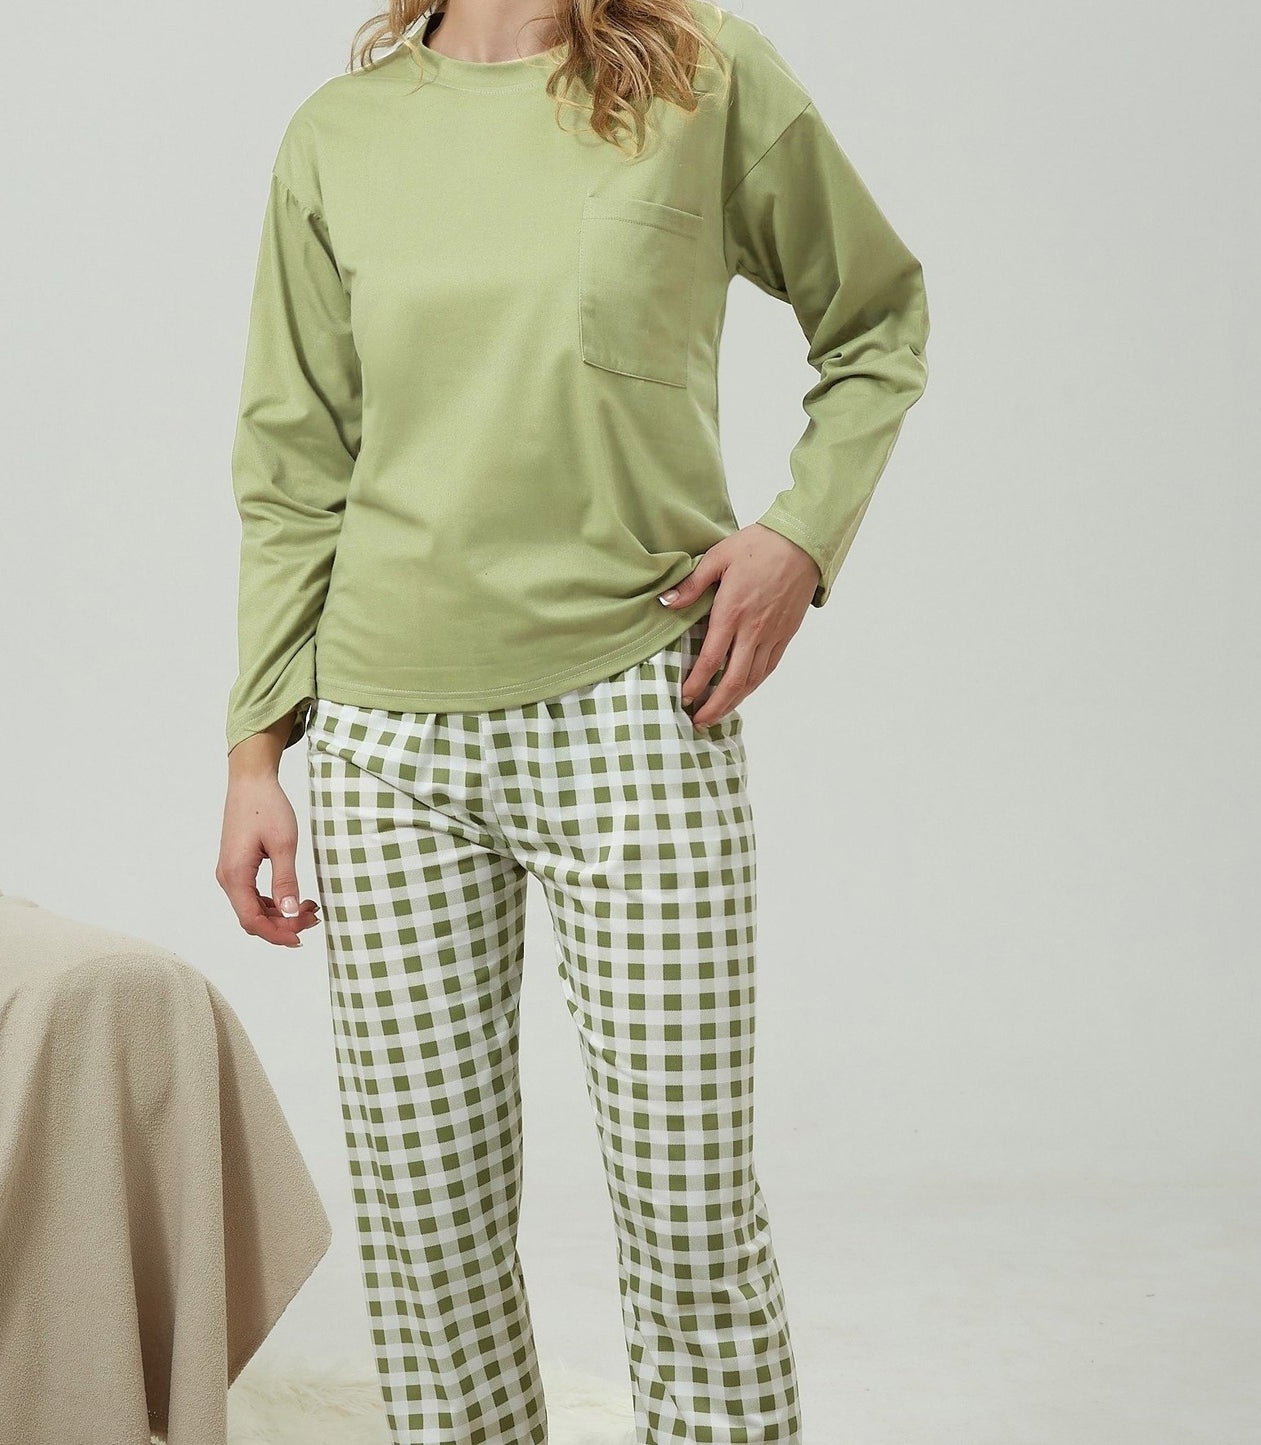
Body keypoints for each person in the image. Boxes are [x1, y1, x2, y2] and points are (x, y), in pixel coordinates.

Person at [215, 1, 929, 1440]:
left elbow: (877, 320)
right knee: (425, 1226)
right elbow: (294, 459)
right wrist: (255, 754)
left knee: (687, 1208)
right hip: (387, 739)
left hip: (636, 705)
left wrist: (800, 538)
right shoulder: (338, 136)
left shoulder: (702, 74)